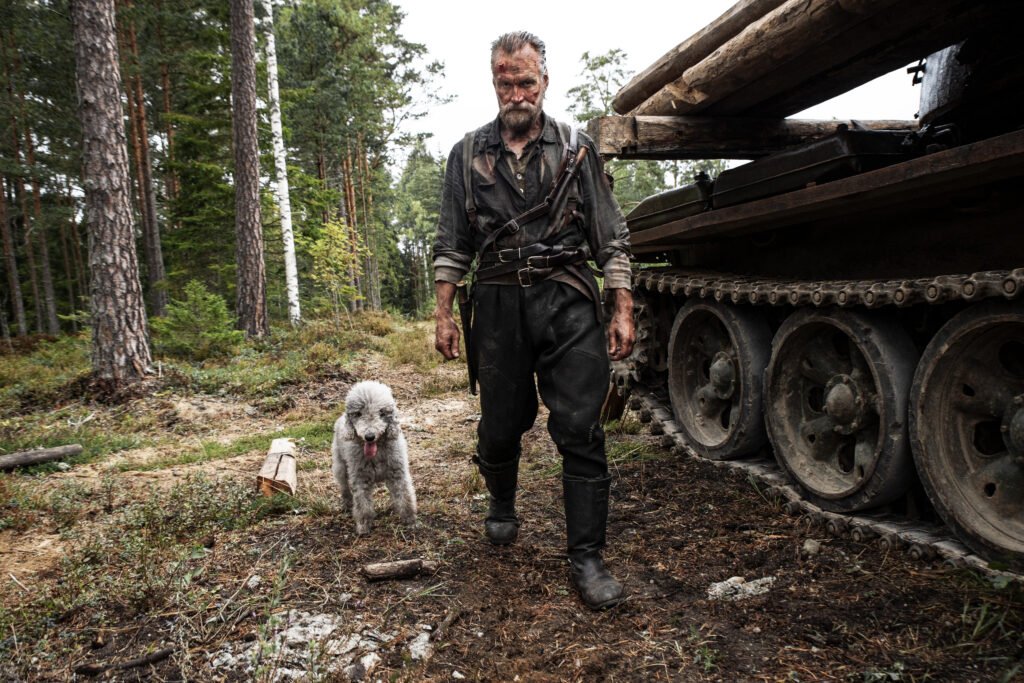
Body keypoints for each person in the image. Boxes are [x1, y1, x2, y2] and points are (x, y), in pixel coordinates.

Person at [432, 31, 635, 610]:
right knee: (501, 423)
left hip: (568, 300)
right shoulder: (466, 155)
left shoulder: (577, 148)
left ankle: (587, 557)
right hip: (496, 307)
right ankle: (501, 502)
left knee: (579, 427)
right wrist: (445, 314)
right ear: (493, 83)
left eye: (526, 81)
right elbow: (452, 243)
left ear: (544, 81)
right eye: (505, 82)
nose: (516, 92)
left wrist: (621, 307)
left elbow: (611, 238)